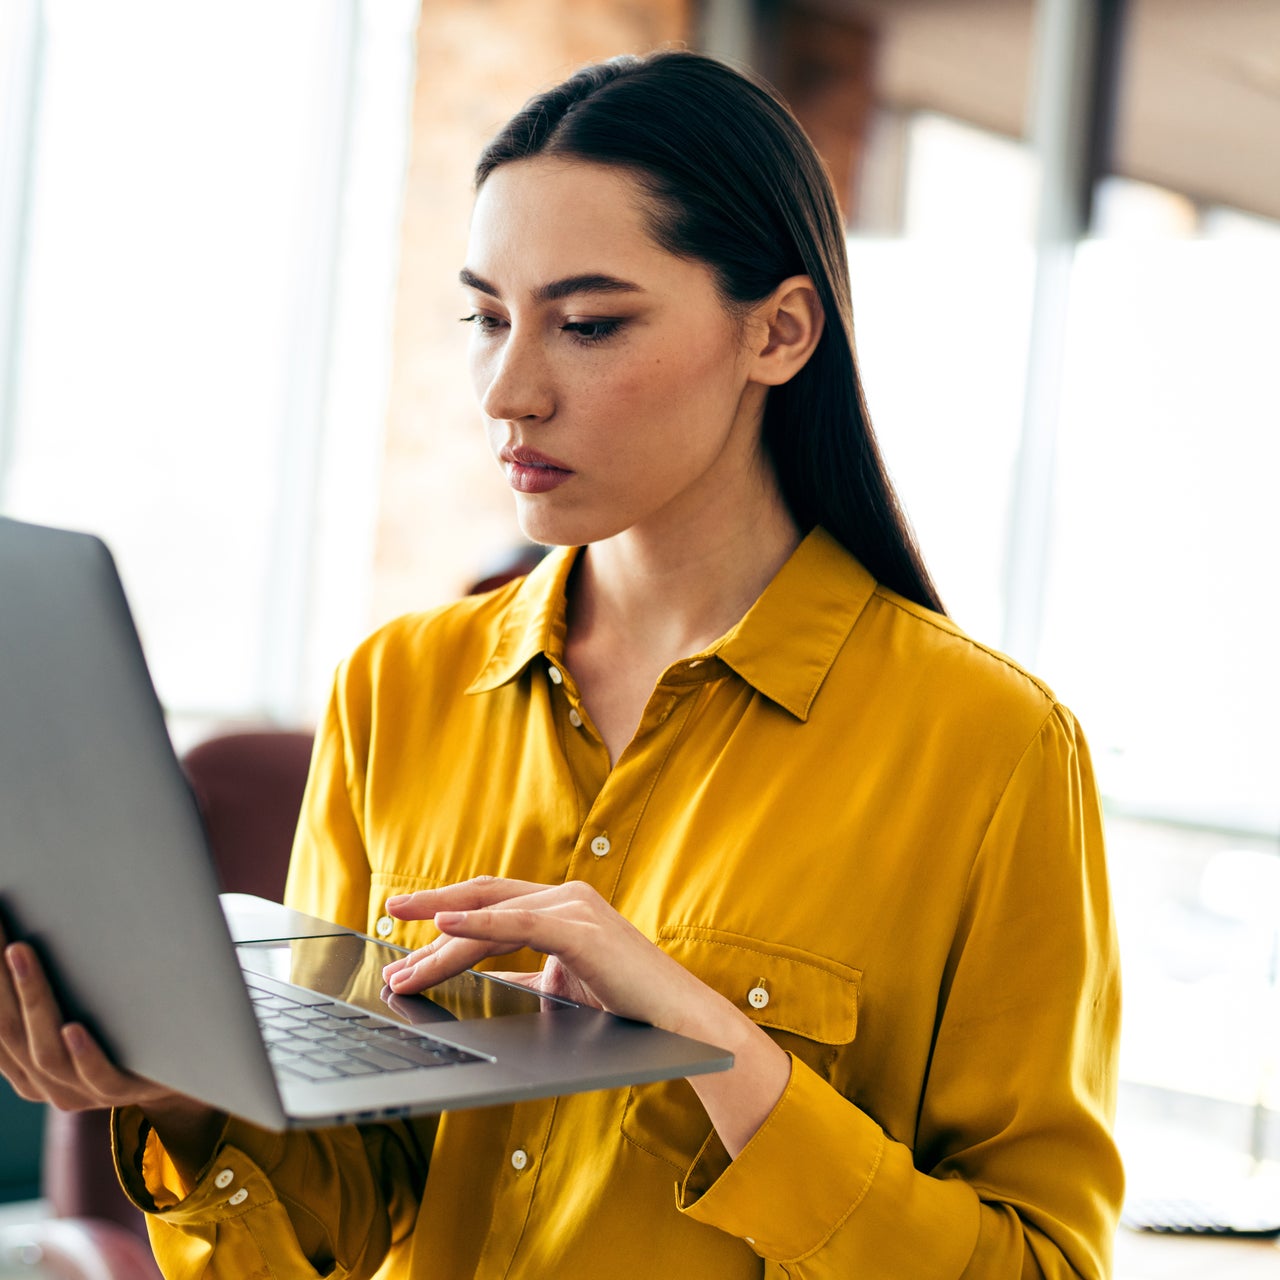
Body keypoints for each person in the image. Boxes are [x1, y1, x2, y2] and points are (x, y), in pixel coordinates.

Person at [0, 49, 1123, 1278]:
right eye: (486, 316)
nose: (507, 389)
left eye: (587, 323)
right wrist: (177, 1097)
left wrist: (725, 1057)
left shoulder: (988, 747)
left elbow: (1042, 1264)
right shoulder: (397, 684)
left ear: (779, 332)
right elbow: (329, 1221)